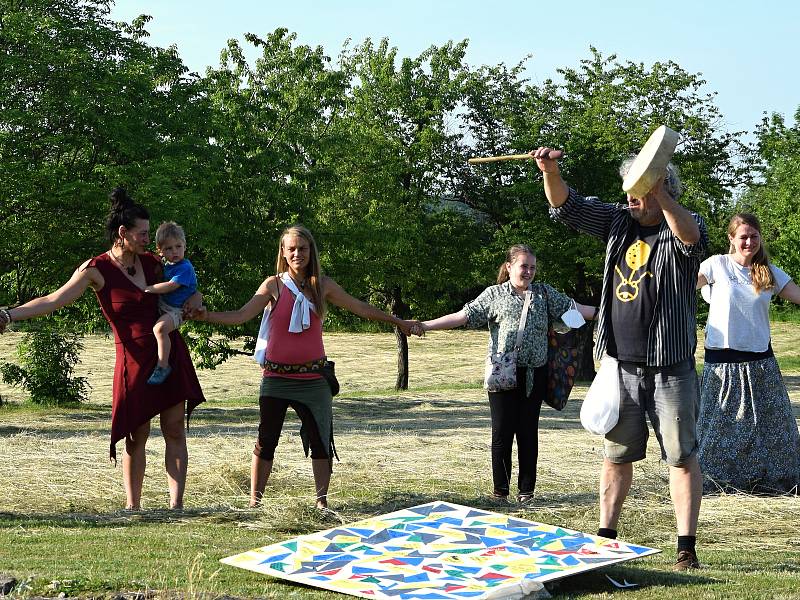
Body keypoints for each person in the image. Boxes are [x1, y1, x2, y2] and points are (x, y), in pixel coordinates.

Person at [532, 146, 708, 571]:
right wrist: (550, 170)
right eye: (627, 187)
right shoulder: (617, 220)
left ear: (659, 186)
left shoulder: (681, 224)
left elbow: (692, 240)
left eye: (638, 188)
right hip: (620, 366)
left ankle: (686, 547)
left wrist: (661, 192)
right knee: (616, 455)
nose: (629, 196)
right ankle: (605, 538)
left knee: (681, 456)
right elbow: (566, 206)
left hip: (671, 366)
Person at [0, 188, 205, 510]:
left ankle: (176, 506)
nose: (148, 240)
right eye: (142, 234)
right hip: (133, 361)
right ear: (123, 234)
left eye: (150, 234)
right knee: (136, 434)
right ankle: (133, 507)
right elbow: (54, 300)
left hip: (168, 354)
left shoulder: (155, 264)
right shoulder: (96, 269)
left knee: (175, 429)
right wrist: (8, 314)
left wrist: (196, 301)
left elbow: (190, 288)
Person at [193, 224, 419, 509]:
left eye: (302, 248)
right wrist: (206, 316)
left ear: (311, 251)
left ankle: (321, 503)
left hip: (314, 379)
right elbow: (241, 315)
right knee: (266, 439)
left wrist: (399, 322)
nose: (297, 253)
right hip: (276, 377)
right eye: (292, 249)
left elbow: (362, 308)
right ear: (283, 253)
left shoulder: (323, 286)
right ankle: (254, 502)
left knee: (320, 441)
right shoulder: (273, 284)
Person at [417, 244, 596, 504]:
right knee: (502, 433)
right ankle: (500, 492)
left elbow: (579, 310)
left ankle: (526, 492)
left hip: (535, 374)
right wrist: (425, 325)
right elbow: (462, 316)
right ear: (509, 266)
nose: (529, 272)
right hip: (503, 373)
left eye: (533, 267)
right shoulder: (494, 295)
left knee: (528, 433)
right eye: (524, 266)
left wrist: (619, 313)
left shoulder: (545, 294)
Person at [696, 213, 800, 494]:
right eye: (743, 236)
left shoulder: (769, 271)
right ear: (731, 238)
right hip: (723, 366)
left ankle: (772, 482)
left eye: (754, 236)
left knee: (775, 429)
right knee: (719, 432)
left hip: (761, 363)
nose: (749, 241)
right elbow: (680, 286)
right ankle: (714, 483)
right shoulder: (716, 265)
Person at [144, 221, 198, 385]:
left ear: (184, 246)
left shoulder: (185, 268)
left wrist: (149, 288)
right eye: (169, 248)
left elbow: (171, 286)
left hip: (177, 310)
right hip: (164, 305)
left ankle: (163, 366)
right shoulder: (167, 266)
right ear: (160, 250)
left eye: (178, 246)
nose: (175, 251)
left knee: (159, 329)